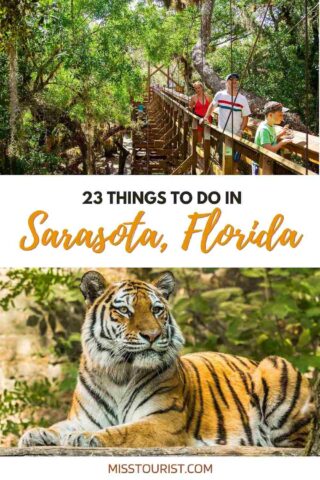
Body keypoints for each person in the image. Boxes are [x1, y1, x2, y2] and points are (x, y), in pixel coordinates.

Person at [204, 73, 251, 174]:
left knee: (235, 158)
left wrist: (241, 131)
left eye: (235, 82)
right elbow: (212, 106)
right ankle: (223, 173)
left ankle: (231, 174)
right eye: (231, 82)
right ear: (226, 83)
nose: (234, 84)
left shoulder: (242, 99)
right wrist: (206, 117)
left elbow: (245, 118)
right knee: (223, 156)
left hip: (236, 135)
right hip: (223, 134)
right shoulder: (220, 95)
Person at [253, 101, 292, 174]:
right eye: (280, 115)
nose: (282, 118)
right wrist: (282, 143)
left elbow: (270, 139)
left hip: (267, 162)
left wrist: (281, 133)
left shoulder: (270, 125)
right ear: (270, 115)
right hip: (261, 165)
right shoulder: (264, 129)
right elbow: (269, 149)